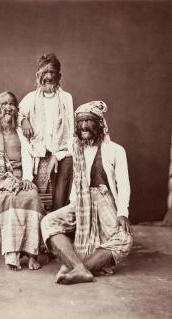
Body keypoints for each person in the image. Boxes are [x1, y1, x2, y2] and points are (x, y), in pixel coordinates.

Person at [41, 101, 133, 284]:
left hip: (104, 203)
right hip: (79, 204)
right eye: (80, 122)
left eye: (89, 121)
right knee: (48, 222)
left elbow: (123, 183)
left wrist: (123, 212)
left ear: (100, 124)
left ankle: (77, 268)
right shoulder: (76, 146)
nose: (83, 126)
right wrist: (55, 156)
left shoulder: (115, 150)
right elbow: (61, 149)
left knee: (125, 239)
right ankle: (81, 269)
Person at [0, 91, 43, 271]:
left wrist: (27, 178)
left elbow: (29, 157)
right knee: (10, 200)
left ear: (17, 111)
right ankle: (13, 255)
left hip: (20, 178)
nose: (8, 108)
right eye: (4, 104)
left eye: (12, 104)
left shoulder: (20, 133)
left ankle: (32, 254)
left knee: (32, 196)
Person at [19, 53, 74, 210]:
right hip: (39, 153)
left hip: (62, 153)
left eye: (52, 73)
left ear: (59, 76)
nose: (48, 76)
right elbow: (16, 113)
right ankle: (44, 221)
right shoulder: (30, 98)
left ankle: (57, 216)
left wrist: (58, 155)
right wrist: (24, 120)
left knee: (69, 163)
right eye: (45, 73)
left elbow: (71, 132)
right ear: (38, 76)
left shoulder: (66, 98)